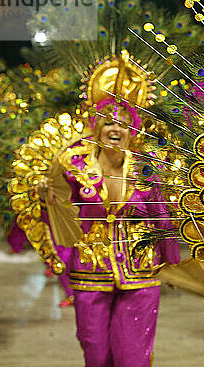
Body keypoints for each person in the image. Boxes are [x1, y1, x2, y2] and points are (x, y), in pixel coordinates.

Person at [36, 98, 180, 366]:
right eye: (109, 123)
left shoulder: (145, 170)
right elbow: (61, 216)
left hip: (141, 274)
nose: (116, 129)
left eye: (123, 125)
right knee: (96, 355)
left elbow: (162, 218)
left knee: (132, 357)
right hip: (90, 273)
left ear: (132, 131)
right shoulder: (74, 168)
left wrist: (172, 264)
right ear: (97, 128)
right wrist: (47, 197)